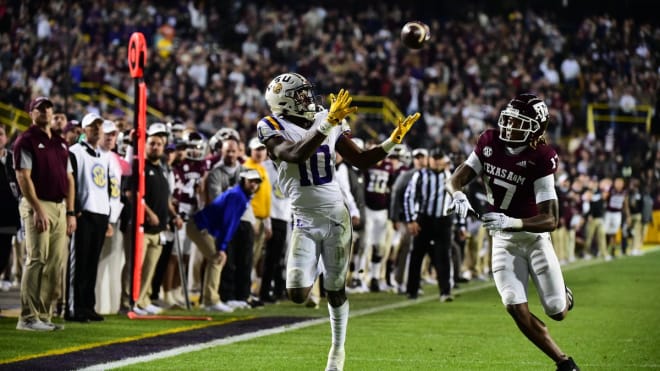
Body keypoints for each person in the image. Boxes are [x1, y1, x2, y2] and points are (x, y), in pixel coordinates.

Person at [258, 72, 420, 371]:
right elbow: (294, 154)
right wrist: (327, 124)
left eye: (308, 93)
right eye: (301, 95)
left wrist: (391, 142)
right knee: (296, 293)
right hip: (304, 218)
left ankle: (337, 350)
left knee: (335, 288)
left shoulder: (325, 118)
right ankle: (319, 262)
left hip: (336, 215)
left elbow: (360, 159)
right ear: (283, 102)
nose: (309, 99)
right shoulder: (270, 125)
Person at [446, 93, 579, 371]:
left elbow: (550, 219)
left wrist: (512, 221)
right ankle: (563, 362)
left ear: (536, 130)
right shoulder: (489, 141)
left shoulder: (542, 157)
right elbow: (458, 176)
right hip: (503, 241)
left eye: (518, 123)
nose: (508, 127)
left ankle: (564, 296)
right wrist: (457, 193)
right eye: (507, 120)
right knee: (513, 305)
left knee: (556, 311)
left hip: (533, 239)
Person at [13, 96, 76, 331]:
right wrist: (37, 208)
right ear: (31, 113)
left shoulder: (60, 142)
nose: (46, 112)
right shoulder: (26, 140)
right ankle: (28, 317)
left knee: (55, 262)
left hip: (60, 206)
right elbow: (23, 177)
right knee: (37, 259)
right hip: (38, 204)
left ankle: (43, 315)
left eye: (49, 108)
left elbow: (69, 179)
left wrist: (70, 212)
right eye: (40, 109)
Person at [187, 169, 262, 312]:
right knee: (217, 258)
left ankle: (209, 299)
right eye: (250, 181)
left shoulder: (240, 195)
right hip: (199, 226)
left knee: (215, 259)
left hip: (203, 227)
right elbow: (228, 222)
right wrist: (222, 247)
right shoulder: (237, 196)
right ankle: (211, 300)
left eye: (256, 182)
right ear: (243, 180)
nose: (253, 185)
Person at [65, 112, 114, 322]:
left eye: (99, 126)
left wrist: (108, 215)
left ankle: (88, 305)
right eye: (92, 126)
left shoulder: (103, 154)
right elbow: (71, 182)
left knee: (92, 262)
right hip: (84, 212)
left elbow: (107, 187)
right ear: (84, 130)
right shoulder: (75, 151)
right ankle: (73, 307)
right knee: (80, 262)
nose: (96, 130)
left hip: (101, 213)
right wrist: (73, 210)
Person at [403, 147, 454, 302]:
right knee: (417, 255)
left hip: (443, 221)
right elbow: (409, 197)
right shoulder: (420, 175)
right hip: (424, 219)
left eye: (440, 158)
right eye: (435, 158)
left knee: (443, 256)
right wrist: (411, 220)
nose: (437, 161)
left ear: (445, 160)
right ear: (430, 159)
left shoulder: (450, 176)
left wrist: (460, 224)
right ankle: (412, 290)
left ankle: (445, 291)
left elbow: (456, 199)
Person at [0, 125, 20, 293]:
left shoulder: (12, 160)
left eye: (0, 134)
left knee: (4, 255)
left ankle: (6, 277)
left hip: (9, 216)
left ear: (6, 138)